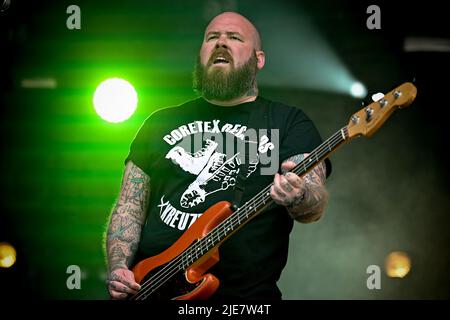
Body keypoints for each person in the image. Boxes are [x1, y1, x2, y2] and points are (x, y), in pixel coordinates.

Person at [105, 11, 331, 300]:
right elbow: (129, 207)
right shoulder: (159, 122)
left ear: (258, 59)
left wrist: (298, 195)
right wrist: (119, 267)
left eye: (234, 38)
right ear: (201, 54)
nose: (221, 43)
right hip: (150, 286)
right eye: (212, 38)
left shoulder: (287, 122)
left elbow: (313, 200)